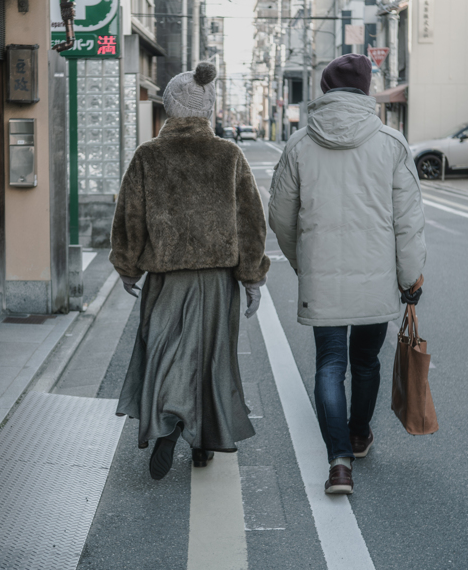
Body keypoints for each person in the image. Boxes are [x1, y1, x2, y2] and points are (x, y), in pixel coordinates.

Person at [267, 54, 426, 496]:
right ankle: (358, 435)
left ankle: (338, 463)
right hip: (376, 277)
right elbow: (408, 220)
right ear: (367, 88)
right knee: (366, 361)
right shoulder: (391, 143)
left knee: (330, 365)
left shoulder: (301, 143)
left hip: (324, 278)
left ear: (323, 89)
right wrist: (410, 277)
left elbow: (279, 215)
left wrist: (305, 261)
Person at [111, 61, 271, 480]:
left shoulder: (148, 155)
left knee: (163, 351)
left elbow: (130, 216)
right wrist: (252, 278)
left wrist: (127, 266)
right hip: (218, 280)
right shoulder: (228, 155)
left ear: (168, 106)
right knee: (212, 358)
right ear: (209, 107)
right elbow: (250, 221)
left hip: (165, 277)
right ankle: (203, 442)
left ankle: (166, 421)